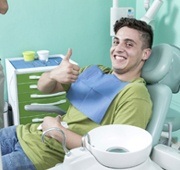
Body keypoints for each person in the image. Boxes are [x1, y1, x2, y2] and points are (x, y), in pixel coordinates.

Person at [0, 17, 153, 170]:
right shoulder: (95, 71)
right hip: (22, 133)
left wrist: (58, 132)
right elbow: (43, 87)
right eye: (116, 41)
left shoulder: (135, 94)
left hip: (41, 155)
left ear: (145, 54)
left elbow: (114, 155)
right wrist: (53, 74)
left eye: (129, 44)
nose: (118, 48)